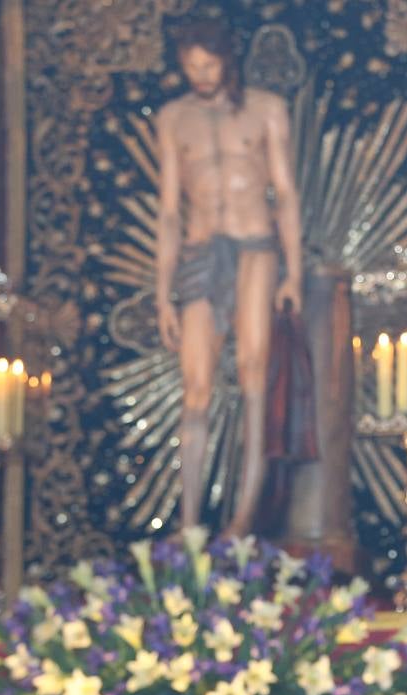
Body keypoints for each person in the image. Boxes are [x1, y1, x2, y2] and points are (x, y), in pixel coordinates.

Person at [153, 19, 302, 537]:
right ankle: (189, 520)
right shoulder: (173, 119)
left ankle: (243, 515)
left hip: (255, 247)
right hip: (199, 252)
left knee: (253, 373)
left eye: (208, 65)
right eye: (190, 66)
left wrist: (294, 274)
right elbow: (170, 211)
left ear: (226, 62)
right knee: (195, 387)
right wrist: (162, 294)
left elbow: (284, 194)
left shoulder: (265, 110)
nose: (199, 75)